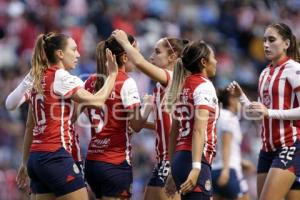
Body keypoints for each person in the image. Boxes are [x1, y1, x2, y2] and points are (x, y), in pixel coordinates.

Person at [18, 32, 118, 200]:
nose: (78, 54)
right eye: (74, 49)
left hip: (36, 158)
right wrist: (113, 74)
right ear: (60, 54)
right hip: (55, 155)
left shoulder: (37, 79)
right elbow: (98, 101)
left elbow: (30, 126)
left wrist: (24, 162)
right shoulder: (61, 77)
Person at [228, 22, 300, 200]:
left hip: (290, 145)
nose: (266, 45)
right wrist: (242, 98)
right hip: (267, 149)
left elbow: (268, 112)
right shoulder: (264, 73)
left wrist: (270, 113)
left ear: (286, 43)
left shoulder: (294, 69)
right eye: (264, 40)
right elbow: (259, 113)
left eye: (272, 40)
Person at [113, 29, 188, 200]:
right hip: (162, 160)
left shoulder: (172, 76)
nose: (151, 56)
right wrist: (144, 110)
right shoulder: (159, 87)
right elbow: (138, 126)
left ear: (172, 57)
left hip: (174, 159)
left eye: (157, 51)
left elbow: (139, 63)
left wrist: (124, 42)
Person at [84, 34, 152, 200]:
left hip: (92, 161)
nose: (138, 57)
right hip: (115, 163)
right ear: (125, 56)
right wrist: (148, 106)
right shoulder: (126, 82)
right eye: (136, 51)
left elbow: (90, 113)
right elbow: (136, 125)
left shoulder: (91, 80)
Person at [166, 40, 219, 200]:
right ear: (204, 62)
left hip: (180, 159)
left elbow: (174, 131)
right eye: (213, 57)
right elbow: (198, 129)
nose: (216, 61)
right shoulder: (204, 86)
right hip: (195, 159)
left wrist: (171, 170)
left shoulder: (182, 87)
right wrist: (196, 167)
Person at [212, 89, 251, 200]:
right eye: (238, 99)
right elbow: (226, 145)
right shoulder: (229, 118)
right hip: (229, 169)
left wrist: (242, 162)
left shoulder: (217, 116)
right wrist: (225, 170)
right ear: (231, 100)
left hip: (214, 169)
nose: (240, 103)